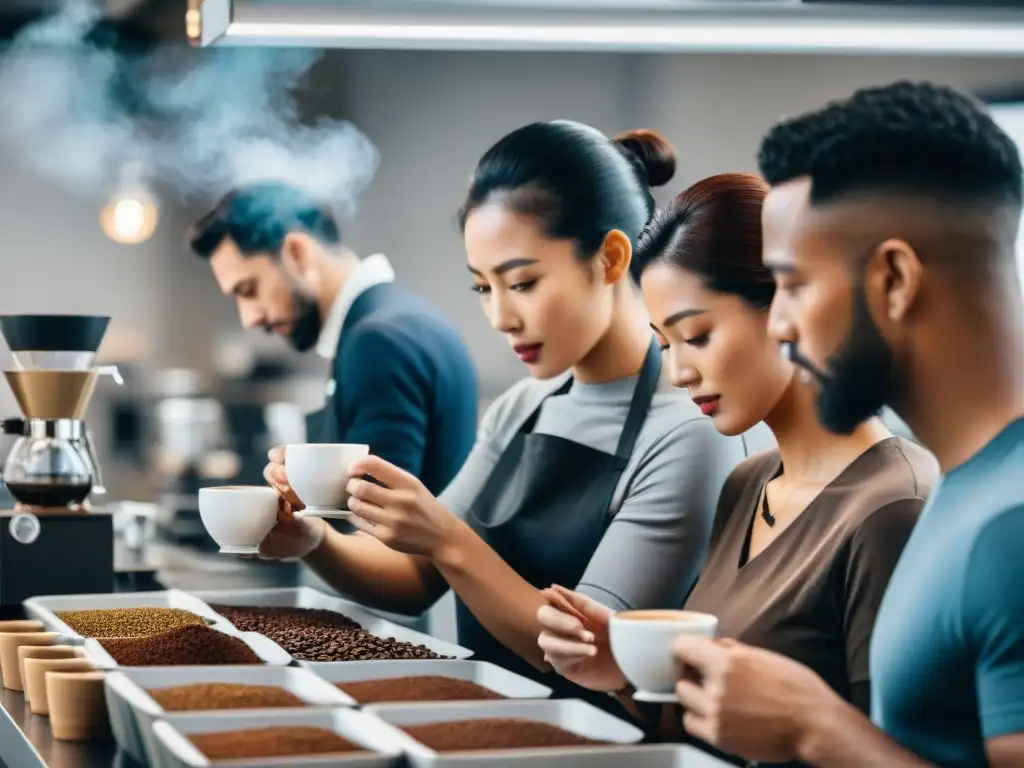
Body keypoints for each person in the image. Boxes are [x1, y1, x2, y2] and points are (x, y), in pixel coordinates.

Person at [260, 122, 753, 705]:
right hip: (495, 730)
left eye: (521, 282)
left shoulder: (686, 431)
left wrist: (446, 538)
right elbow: (416, 580)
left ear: (612, 257)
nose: (500, 317)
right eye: (483, 289)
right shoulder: (523, 407)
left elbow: (582, 652)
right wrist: (312, 538)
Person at [671, 81, 1024, 768]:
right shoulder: (969, 488)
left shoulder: (1011, 529)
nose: (778, 325)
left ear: (894, 278)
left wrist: (815, 729)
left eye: (795, 286)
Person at [535, 173, 938, 739]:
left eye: (696, 336)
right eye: (665, 345)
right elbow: (720, 730)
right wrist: (622, 671)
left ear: (786, 306)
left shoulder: (893, 508)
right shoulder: (749, 483)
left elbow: (890, 749)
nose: (678, 374)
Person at [187, 181, 478, 497]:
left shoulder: (377, 343)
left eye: (249, 290)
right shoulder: (398, 320)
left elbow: (378, 524)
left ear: (297, 253)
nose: (250, 318)